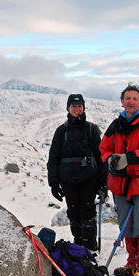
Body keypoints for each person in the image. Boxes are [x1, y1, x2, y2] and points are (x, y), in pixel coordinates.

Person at [99, 83, 139, 276]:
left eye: (134, 99)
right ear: (122, 101)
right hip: (121, 184)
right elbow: (104, 147)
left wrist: (129, 157)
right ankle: (132, 263)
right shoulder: (116, 125)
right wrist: (111, 159)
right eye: (128, 98)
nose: (131, 102)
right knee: (127, 227)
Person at [47, 94, 108, 251]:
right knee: (73, 211)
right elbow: (53, 158)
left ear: (84, 108)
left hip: (89, 177)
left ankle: (90, 246)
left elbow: (101, 157)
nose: (77, 109)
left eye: (79, 106)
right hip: (67, 179)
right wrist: (53, 183)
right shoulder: (61, 131)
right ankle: (78, 244)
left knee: (87, 210)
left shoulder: (91, 129)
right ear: (68, 108)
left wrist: (103, 183)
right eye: (74, 106)